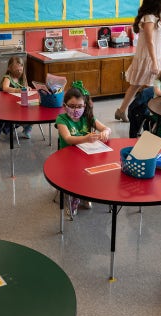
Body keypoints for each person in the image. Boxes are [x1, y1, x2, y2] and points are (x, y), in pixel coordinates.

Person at [55, 82, 111, 218]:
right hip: (68, 157)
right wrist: (86, 138)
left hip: (87, 155)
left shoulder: (87, 117)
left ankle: (86, 193)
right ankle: (74, 197)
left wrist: (105, 132)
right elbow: (68, 138)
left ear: (84, 106)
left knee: (96, 168)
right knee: (78, 171)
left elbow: (106, 128)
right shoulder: (61, 119)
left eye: (79, 106)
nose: (76, 110)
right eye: (72, 106)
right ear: (65, 106)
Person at [114, 0, 161, 122]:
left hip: (154, 57)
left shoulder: (155, 17)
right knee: (140, 85)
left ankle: (123, 111)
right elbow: (150, 41)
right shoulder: (149, 18)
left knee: (142, 86)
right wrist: (154, 61)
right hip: (147, 58)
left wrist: (160, 56)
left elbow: (158, 41)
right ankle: (142, 112)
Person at [0, 56, 33, 140]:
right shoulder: (8, 78)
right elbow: (5, 88)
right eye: (16, 70)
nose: (19, 72)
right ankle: (25, 125)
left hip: (21, 103)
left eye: (21, 70)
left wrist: (28, 88)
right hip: (10, 105)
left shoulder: (22, 77)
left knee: (33, 110)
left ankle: (27, 127)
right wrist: (16, 90)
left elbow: (25, 87)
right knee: (22, 113)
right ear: (9, 68)